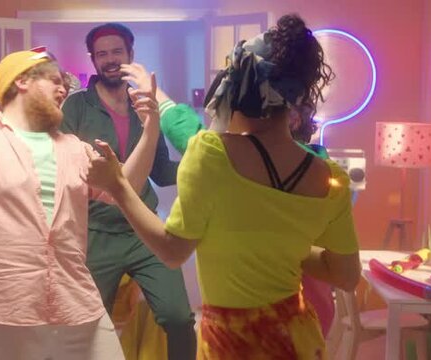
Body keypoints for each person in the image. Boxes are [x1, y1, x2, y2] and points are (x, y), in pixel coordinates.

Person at [84, 14, 360, 359]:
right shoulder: (329, 176)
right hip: (297, 337)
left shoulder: (211, 155)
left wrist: (117, 185)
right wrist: (280, 244)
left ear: (236, 92)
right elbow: (346, 275)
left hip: (232, 342)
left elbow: (172, 252)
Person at [0, 47, 161, 359]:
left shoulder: (73, 147)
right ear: (21, 81)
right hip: (2, 310)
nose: (64, 89)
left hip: (76, 304)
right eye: (54, 80)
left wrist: (151, 128)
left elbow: (125, 190)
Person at [124, 62, 339, 336]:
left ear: (290, 118)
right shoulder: (319, 167)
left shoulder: (296, 169)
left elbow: (172, 250)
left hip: (284, 314)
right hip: (304, 321)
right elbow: (191, 133)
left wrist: (119, 188)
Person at [59, 23, 196, 360]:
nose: (109, 59)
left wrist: (206, 169)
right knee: (85, 324)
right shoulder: (74, 108)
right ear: (92, 59)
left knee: (179, 319)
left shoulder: (143, 106)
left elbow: (162, 171)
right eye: (101, 54)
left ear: (130, 55)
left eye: (116, 52)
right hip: (94, 234)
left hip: (144, 232)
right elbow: (64, 171)